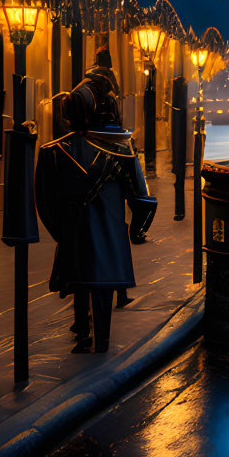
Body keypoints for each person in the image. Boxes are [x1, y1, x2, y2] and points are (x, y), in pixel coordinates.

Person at [35, 63, 156, 353]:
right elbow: (141, 197)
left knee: (79, 278)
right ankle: (100, 339)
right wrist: (138, 231)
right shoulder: (121, 150)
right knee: (101, 285)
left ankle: (82, 330)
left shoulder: (52, 151)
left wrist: (60, 231)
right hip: (109, 234)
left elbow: (44, 201)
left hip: (72, 232)